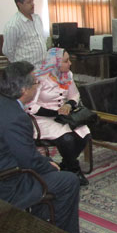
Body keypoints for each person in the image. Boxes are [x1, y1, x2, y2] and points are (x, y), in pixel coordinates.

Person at [0, 62, 80, 233]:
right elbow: (28, 160)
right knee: (68, 181)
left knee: (47, 172)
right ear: (25, 90)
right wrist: (49, 165)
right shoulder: (16, 117)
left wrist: (45, 162)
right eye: (36, 83)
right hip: (0, 185)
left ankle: (38, 225)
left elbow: (21, 152)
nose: (37, 86)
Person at [25, 48, 90, 186]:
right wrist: (55, 113)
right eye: (66, 61)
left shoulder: (67, 75)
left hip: (62, 116)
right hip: (42, 119)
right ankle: (74, 169)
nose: (70, 63)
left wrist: (69, 105)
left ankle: (66, 164)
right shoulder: (40, 78)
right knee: (67, 139)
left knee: (85, 134)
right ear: (55, 63)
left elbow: (74, 95)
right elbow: (30, 106)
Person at [2, 0, 47, 66]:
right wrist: (20, 65)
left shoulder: (37, 18)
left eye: (32, 1)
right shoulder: (13, 25)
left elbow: (42, 39)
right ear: (19, 4)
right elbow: (8, 51)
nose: (33, 4)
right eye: (29, 2)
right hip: (25, 69)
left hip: (42, 67)